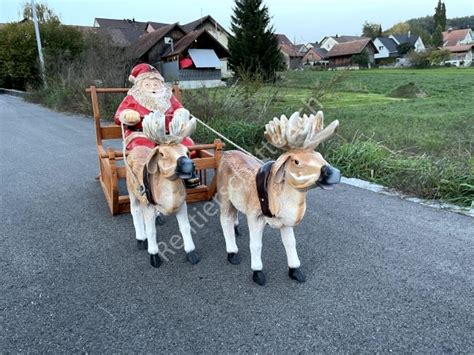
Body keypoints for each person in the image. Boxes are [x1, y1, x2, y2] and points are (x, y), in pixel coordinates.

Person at [115, 63, 198, 187]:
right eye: (147, 85)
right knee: (144, 149)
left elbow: (179, 108)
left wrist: (181, 112)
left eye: (156, 84)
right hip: (141, 134)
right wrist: (127, 115)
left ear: (162, 85)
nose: (153, 88)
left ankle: (185, 173)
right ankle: (147, 180)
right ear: (139, 86)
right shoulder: (133, 98)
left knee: (187, 145)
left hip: (169, 133)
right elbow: (119, 115)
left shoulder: (168, 97)